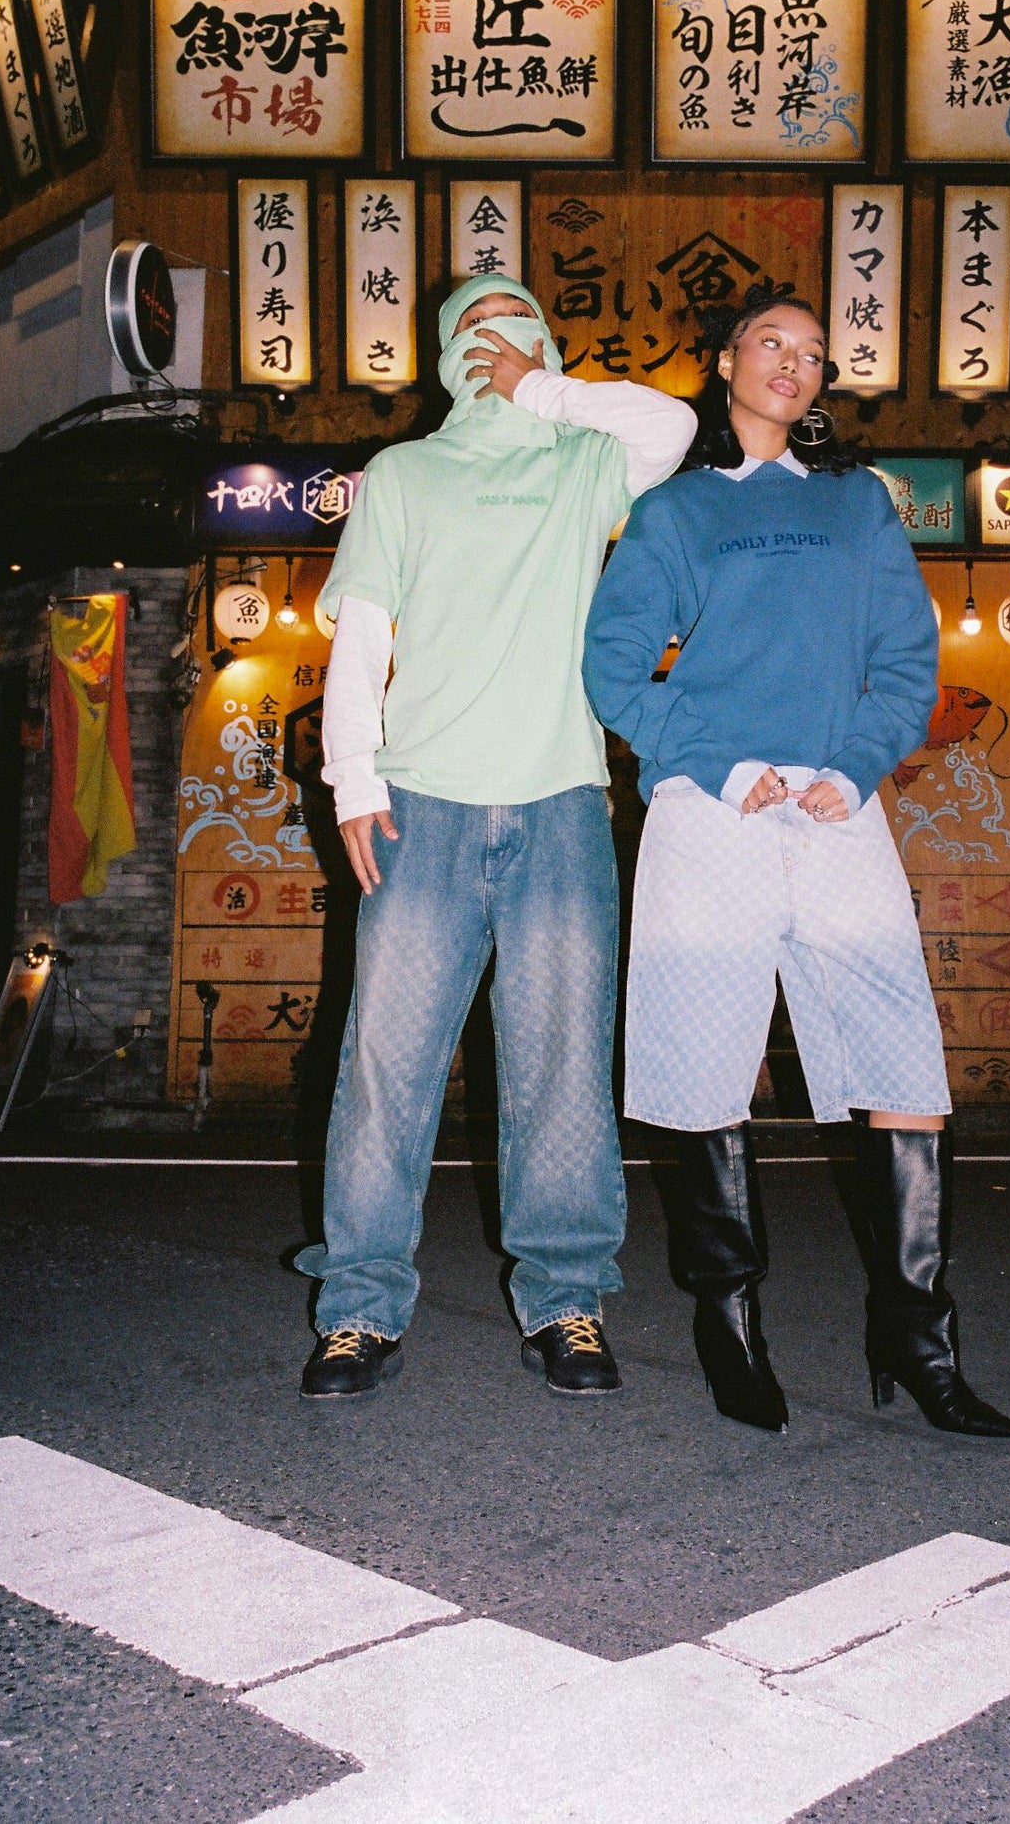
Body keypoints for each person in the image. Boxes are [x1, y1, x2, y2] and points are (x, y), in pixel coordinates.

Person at [583, 285, 1010, 1440]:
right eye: (770, 342)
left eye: (813, 351)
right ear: (725, 361)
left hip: (835, 807)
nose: (793, 362)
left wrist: (858, 764)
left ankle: (917, 1337)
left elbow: (904, 661)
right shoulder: (672, 511)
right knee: (699, 1069)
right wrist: (720, 766)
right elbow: (613, 668)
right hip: (708, 809)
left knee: (901, 1061)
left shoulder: (856, 503)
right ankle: (728, 1324)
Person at [295, 273, 696, 1400]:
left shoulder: (582, 463)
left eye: (517, 323)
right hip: (418, 801)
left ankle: (567, 1301)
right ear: (438, 351)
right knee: (384, 1064)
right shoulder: (403, 474)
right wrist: (351, 779)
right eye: (472, 324)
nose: (495, 338)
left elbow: (671, 425)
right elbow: (362, 631)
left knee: (563, 1064)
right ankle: (357, 1308)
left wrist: (543, 391)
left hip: (561, 800)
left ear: (546, 347)